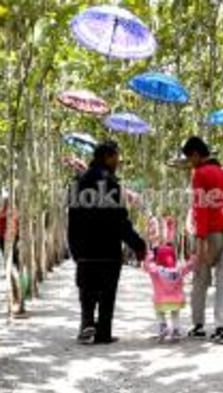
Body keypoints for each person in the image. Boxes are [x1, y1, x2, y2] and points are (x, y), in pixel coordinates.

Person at [68, 140, 147, 345]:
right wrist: (137, 244)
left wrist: (74, 248)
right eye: (116, 157)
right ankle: (103, 333)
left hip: (84, 248)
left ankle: (87, 322)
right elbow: (120, 221)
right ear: (107, 157)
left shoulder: (79, 183)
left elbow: (72, 219)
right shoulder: (112, 185)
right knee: (107, 292)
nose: (119, 161)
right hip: (107, 249)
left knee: (87, 289)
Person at [182, 136, 223, 344]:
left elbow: (200, 208)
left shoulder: (199, 174)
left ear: (196, 154)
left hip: (209, 234)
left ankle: (198, 325)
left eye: (189, 158)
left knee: (200, 281)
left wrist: (201, 239)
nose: (190, 162)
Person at [143, 243, 196, 342]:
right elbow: (189, 267)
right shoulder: (178, 270)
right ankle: (175, 330)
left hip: (160, 300)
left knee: (159, 312)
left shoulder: (156, 270)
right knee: (175, 313)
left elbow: (146, 267)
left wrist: (149, 256)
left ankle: (163, 327)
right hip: (176, 300)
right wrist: (193, 257)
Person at [0, 198, 19, 270]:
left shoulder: (14, 212)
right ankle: (10, 273)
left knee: (14, 257)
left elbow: (16, 219)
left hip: (12, 237)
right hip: (3, 237)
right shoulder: (2, 212)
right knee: (8, 257)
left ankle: (15, 273)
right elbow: (0, 216)